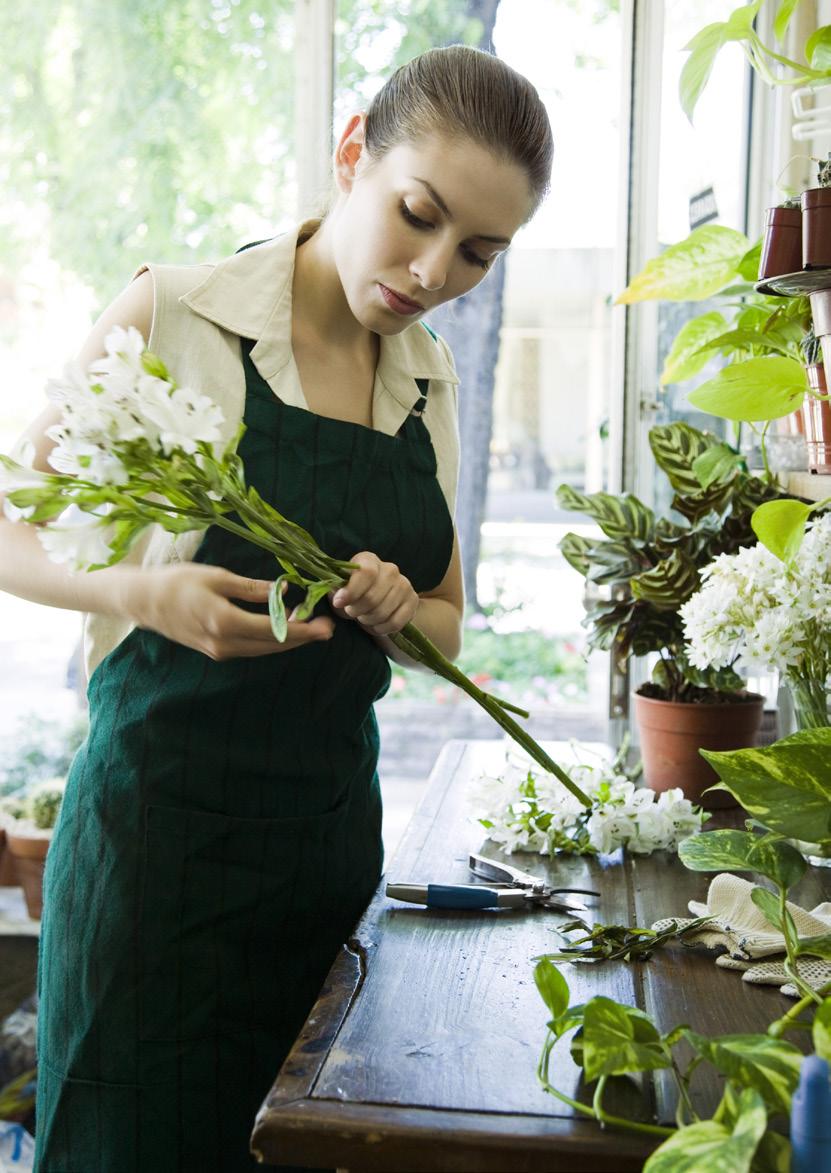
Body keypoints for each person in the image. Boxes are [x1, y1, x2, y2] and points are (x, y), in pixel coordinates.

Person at [0, 44, 553, 1172]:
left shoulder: (428, 381)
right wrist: (140, 594)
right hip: (154, 867)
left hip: (325, 865)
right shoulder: (177, 311)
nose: (433, 271)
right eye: (417, 215)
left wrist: (404, 606)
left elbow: (447, 619)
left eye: (477, 254)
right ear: (353, 153)